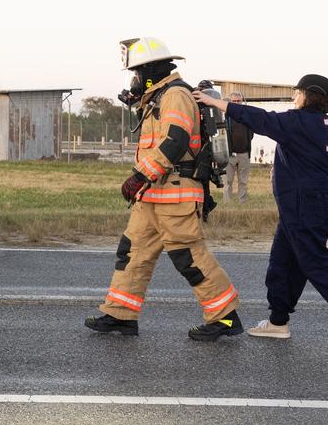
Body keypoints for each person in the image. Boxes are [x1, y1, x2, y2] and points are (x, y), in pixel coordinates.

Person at [197, 75, 328, 347]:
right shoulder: (326, 125)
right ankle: (278, 321)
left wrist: (215, 102)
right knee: (283, 261)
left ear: (310, 95)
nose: (294, 97)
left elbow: (260, 118)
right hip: (305, 203)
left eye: (298, 93)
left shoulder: (299, 122)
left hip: (305, 203)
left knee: (315, 261)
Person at [87, 37, 242, 340]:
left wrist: (139, 177)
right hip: (153, 195)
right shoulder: (158, 97)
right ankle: (121, 315)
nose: (134, 79)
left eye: (137, 73)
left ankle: (225, 318)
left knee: (189, 257)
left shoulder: (175, 95)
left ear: (150, 71)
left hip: (175, 193)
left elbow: (175, 141)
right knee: (132, 253)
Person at [225, 92, 253, 203]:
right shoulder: (226, 116)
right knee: (227, 181)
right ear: (230, 102)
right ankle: (227, 203)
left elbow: (251, 134)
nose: (236, 103)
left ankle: (243, 202)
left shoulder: (246, 116)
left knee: (243, 181)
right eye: (234, 101)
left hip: (244, 154)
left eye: (238, 101)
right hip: (230, 155)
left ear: (242, 101)